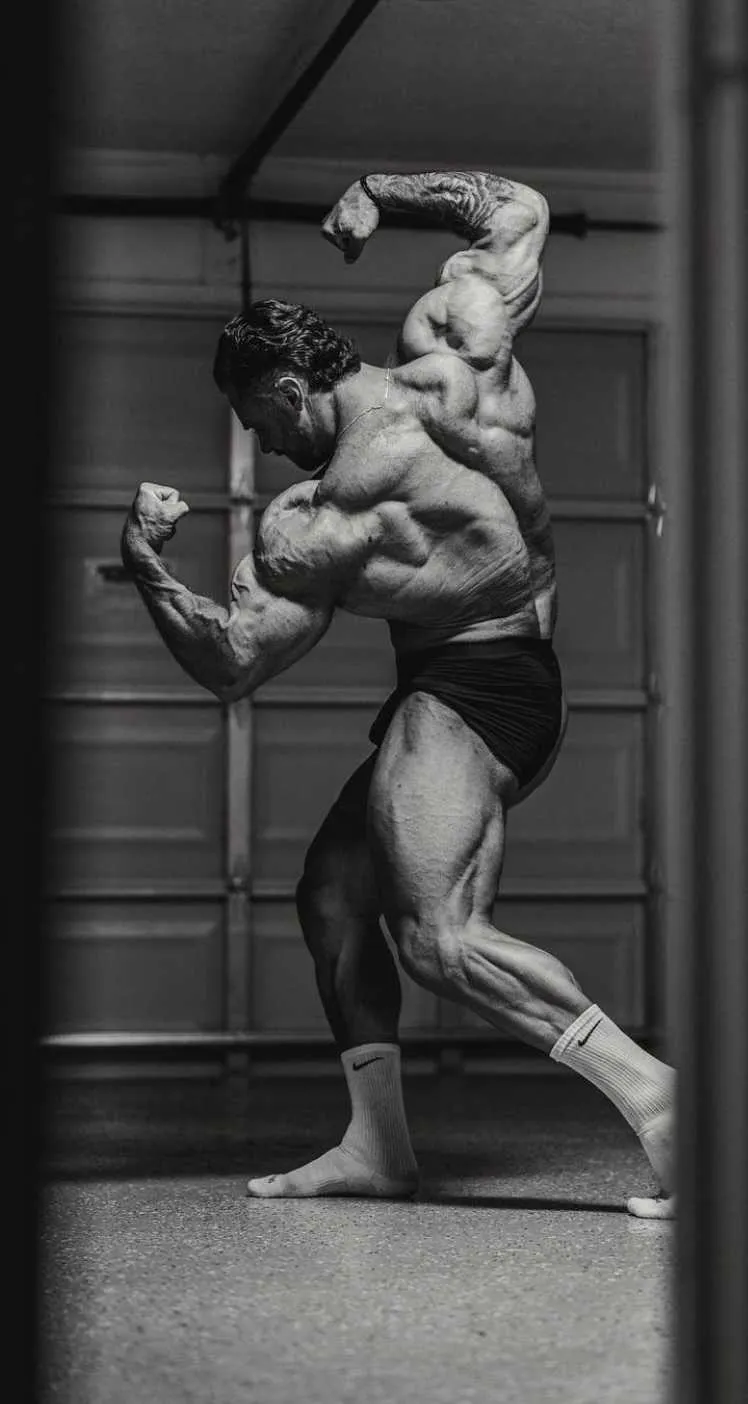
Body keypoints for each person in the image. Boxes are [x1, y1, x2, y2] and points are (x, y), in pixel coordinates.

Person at [121, 170, 675, 1219]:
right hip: (512, 677)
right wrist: (380, 189)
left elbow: (233, 664)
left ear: (285, 391)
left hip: (474, 686)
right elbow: (516, 211)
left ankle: (669, 1107)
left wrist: (147, 563)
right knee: (332, 894)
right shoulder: (458, 359)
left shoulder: (311, 525)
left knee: (437, 939)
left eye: (253, 421)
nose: (257, 443)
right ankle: (377, 1147)